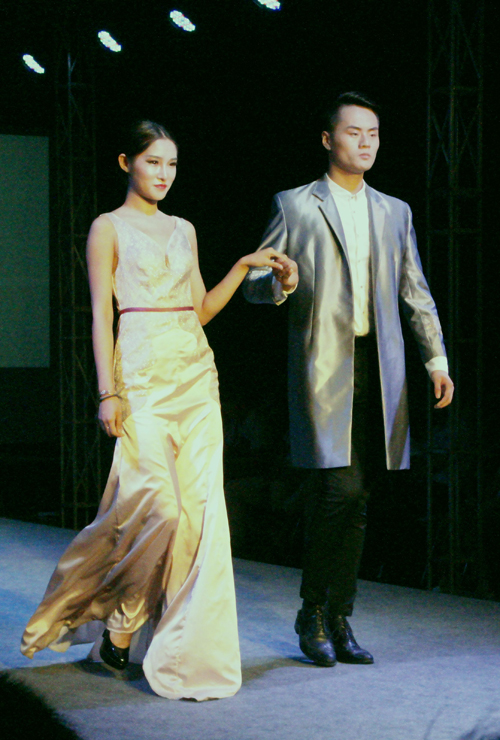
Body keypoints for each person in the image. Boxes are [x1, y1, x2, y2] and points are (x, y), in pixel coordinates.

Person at [20, 120, 294, 700]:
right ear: (126, 162)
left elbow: (200, 310)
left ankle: (161, 647)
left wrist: (243, 266)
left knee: (196, 522)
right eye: (153, 162)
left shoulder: (184, 228)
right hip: (140, 379)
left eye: (171, 164)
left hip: (195, 378)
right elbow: (101, 315)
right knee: (157, 509)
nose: (164, 174)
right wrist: (108, 392)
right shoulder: (108, 227)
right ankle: (109, 615)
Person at [243, 92, 454, 667]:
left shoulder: (395, 211)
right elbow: (253, 285)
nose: (365, 142)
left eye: (374, 133)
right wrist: (281, 282)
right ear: (327, 139)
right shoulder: (295, 204)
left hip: (381, 369)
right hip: (323, 367)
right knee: (337, 490)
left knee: (359, 496)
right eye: (354, 131)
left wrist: (436, 360)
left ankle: (338, 616)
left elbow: (414, 291)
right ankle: (313, 611)